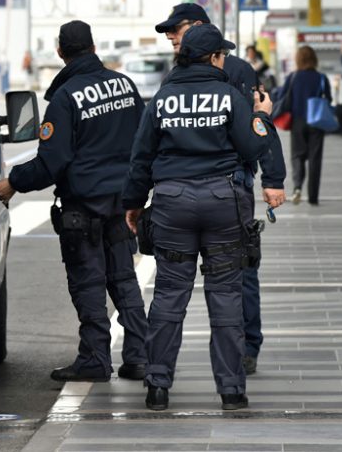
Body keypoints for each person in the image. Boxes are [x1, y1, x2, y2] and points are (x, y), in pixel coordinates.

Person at [123, 24, 278, 412]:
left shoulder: (162, 99)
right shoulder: (229, 96)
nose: (225, 61)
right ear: (212, 58)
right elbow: (252, 145)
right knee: (225, 296)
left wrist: (134, 203)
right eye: (222, 55)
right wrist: (262, 116)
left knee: (169, 296)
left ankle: (157, 387)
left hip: (172, 202)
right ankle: (231, 391)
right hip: (223, 200)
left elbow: (141, 156)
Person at [0, 21, 149, 382]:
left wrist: (13, 183)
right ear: (93, 48)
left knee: (89, 282)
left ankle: (95, 359)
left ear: (61, 52)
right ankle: (139, 356)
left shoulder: (66, 97)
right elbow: (144, 143)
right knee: (124, 280)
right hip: (122, 202)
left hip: (84, 207)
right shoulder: (124, 85)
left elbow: (52, 162)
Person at [155, 2, 286, 377]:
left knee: (238, 273)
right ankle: (223, 375)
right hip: (194, 192)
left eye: (175, 29)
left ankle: (247, 346)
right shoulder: (175, 77)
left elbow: (262, 125)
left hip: (232, 184)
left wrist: (273, 180)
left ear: (196, 27)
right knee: (190, 283)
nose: (170, 37)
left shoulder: (237, 71)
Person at [275, 45, 331, 206]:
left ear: (298, 59)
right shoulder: (321, 77)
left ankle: (297, 187)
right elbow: (329, 98)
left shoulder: (293, 77)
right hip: (317, 122)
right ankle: (313, 197)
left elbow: (281, 96)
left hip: (298, 122)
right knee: (315, 159)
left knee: (297, 156)